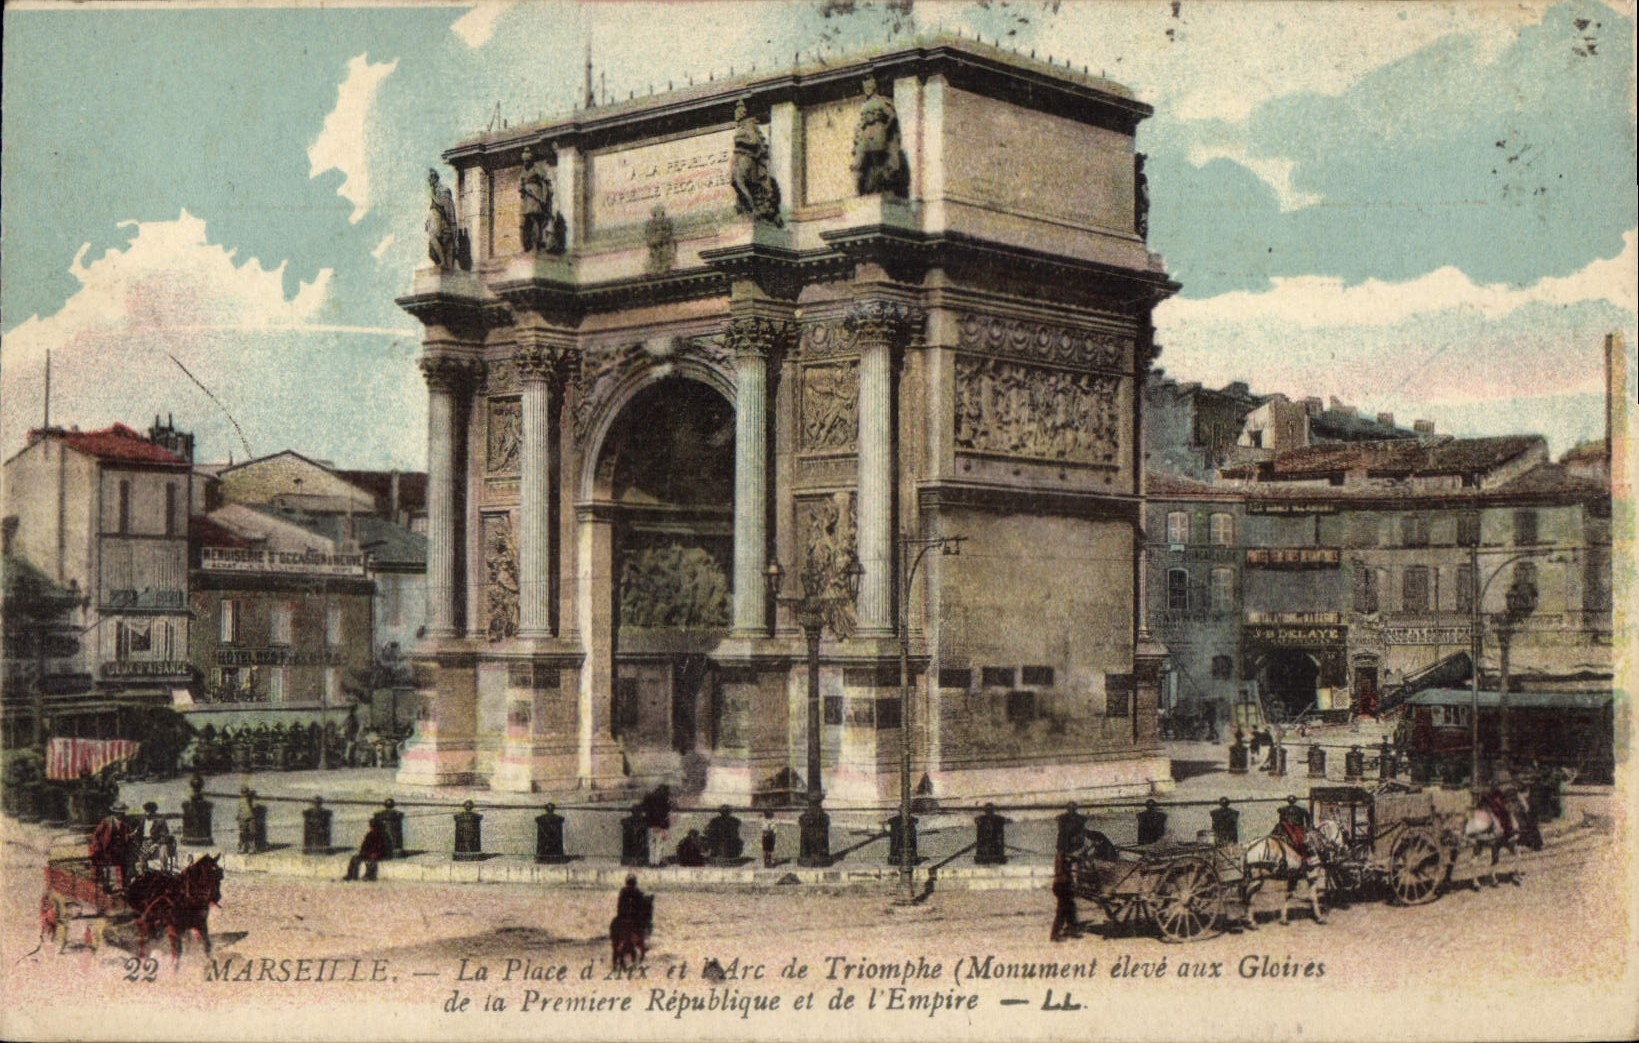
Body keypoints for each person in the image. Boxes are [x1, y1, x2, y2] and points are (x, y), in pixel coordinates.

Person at [138, 800, 175, 872]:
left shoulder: (160, 821)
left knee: (163, 851)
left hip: (157, 843)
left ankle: (164, 872)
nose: (146, 813)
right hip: (146, 842)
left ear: (153, 812)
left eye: (149, 811)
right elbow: (138, 833)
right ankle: (144, 873)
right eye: (146, 811)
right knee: (141, 857)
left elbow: (165, 836)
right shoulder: (143, 821)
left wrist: (156, 844)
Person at [1049, 851, 1079, 942]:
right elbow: (1064, 868)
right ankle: (1055, 935)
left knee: (1071, 907)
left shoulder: (1062, 855)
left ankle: (1071, 929)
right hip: (1062, 885)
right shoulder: (1062, 855)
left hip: (1062, 884)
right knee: (1062, 911)